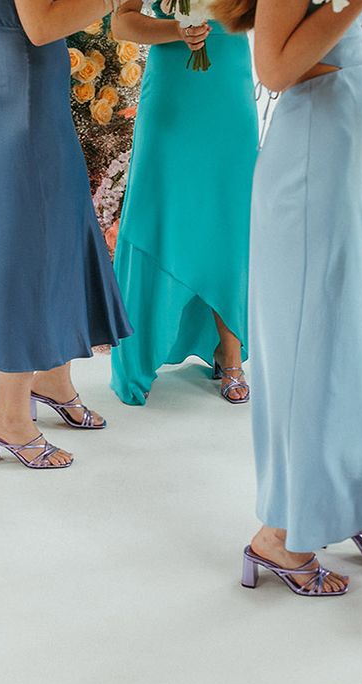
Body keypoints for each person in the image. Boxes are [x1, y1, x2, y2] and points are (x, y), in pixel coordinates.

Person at [214, 0, 362, 596]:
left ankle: (356, 502)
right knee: (316, 350)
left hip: (341, 162)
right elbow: (273, 70)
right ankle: (279, 535)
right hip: (308, 171)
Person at [0, 0, 133, 469]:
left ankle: (53, 379)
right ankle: (10, 417)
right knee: (26, 247)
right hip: (19, 99)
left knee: (57, 235)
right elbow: (40, 25)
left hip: (31, 90)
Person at [110, 1, 257, 407]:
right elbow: (122, 24)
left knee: (229, 216)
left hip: (229, 90)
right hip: (172, 95)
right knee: (160, 209)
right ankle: (141, 354)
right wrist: (178, 29)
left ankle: (229, 350)